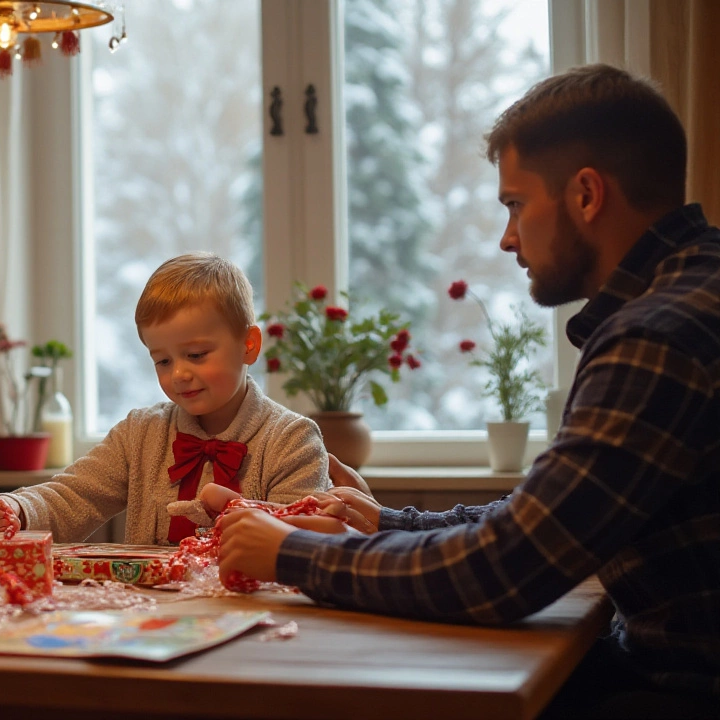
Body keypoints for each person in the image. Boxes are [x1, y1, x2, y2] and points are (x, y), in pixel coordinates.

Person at [216, 64, 719, 715]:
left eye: (515, 204)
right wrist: (384, 523)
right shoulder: (689, 290)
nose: (507, 238)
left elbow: (506, 569)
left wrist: (294, 554)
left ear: (586, 195)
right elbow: (544, 514)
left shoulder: (658, 335)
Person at [0, 252, 330, 545]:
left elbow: (303, 544)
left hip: (254, 618)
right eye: (162, 360)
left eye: (196, 354)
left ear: (249, 345)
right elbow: (74, 496)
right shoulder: (141, 434)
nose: (178, 374)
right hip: (151, 616)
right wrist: (19, 508)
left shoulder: (292, 440)